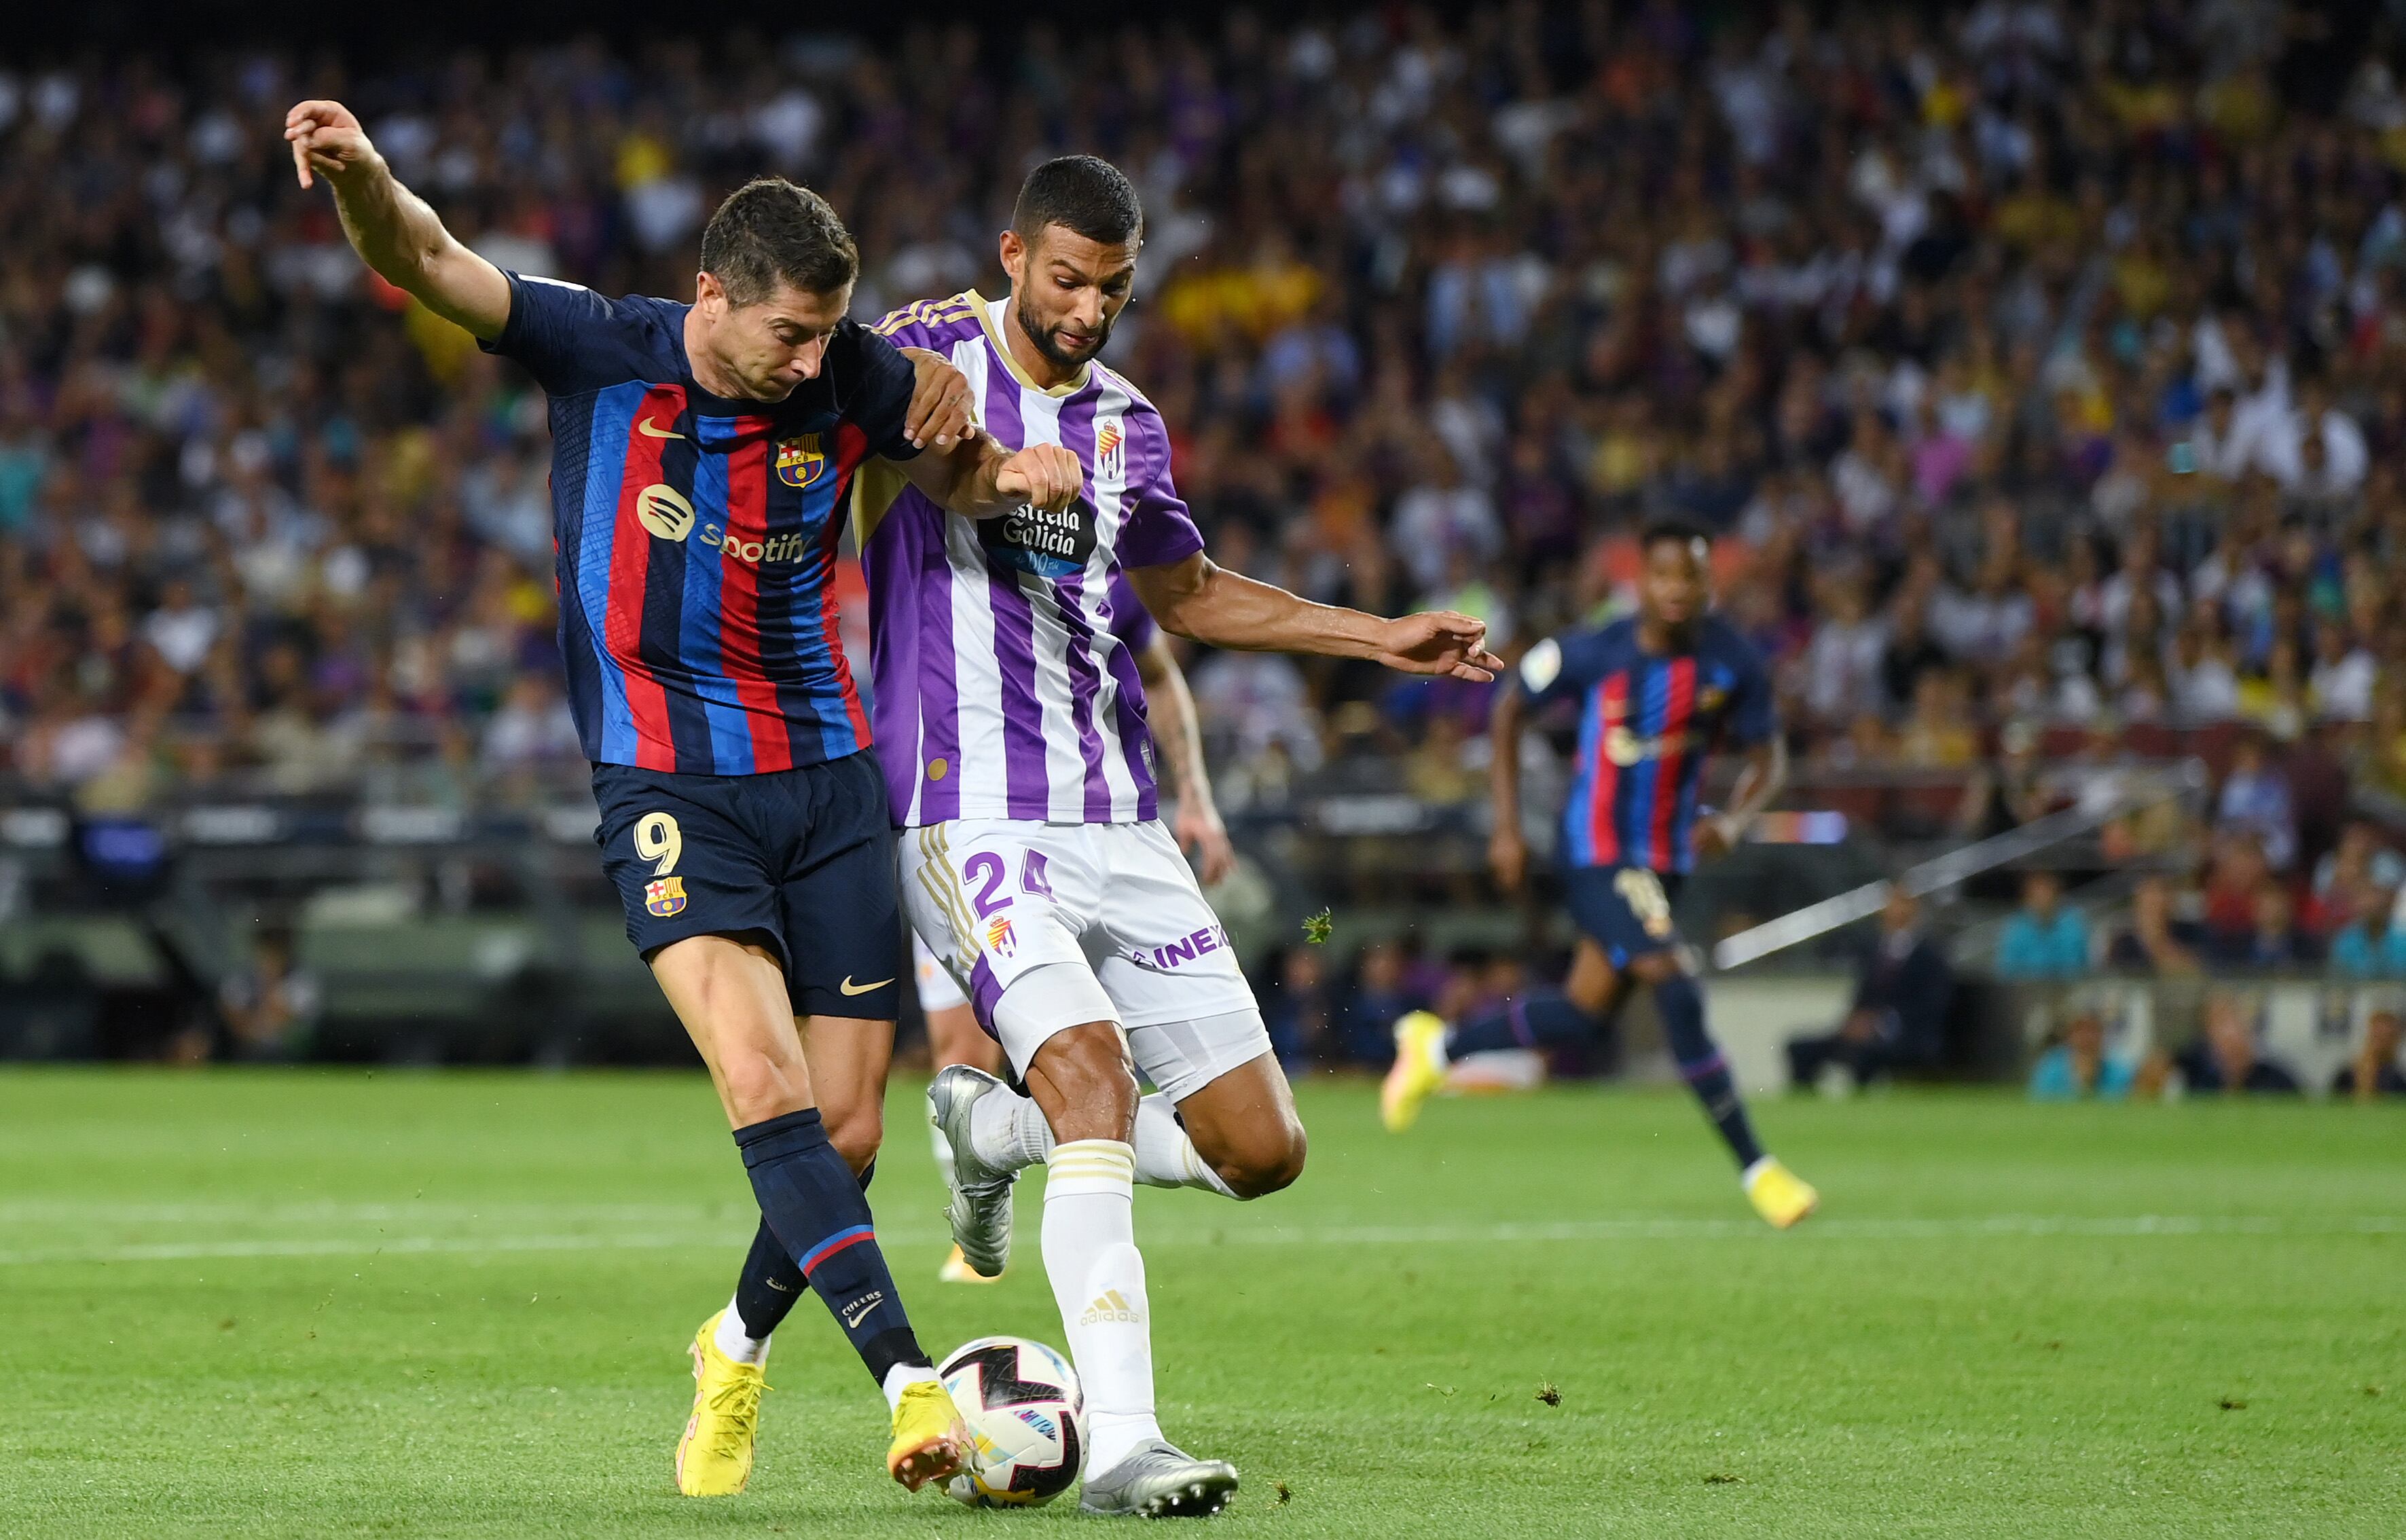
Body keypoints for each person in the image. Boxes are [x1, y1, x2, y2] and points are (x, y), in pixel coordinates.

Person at [284, 100, 1088, 1500]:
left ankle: (731, 1344)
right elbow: (423, 257)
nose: (805, 361)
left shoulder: (853, 377)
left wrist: (1005, 469)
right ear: (710, 295)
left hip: (827, 779)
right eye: (784, 332)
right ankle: (907, 1382)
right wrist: (366, 179)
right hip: (664, 783)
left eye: (825, 335)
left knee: (845, 1135)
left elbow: (953, 471)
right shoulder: (599, 346)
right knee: (761, 1084)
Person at [849, 155, 1496, 1516]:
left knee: (1262, 1152)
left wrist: (1382, 637)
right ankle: (1126, 1440)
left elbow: (1188, 597)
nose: (1087, 310)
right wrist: (979, 460)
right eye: (1067, 279)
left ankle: (993, 1136)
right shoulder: (920, 352)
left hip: (1116, 820)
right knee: (1086, 1073)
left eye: (1113, 288)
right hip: (967, 810)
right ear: (1012, 252)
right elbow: (892, 457)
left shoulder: (1130, 424)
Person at [1382, 519, 1819, 1230]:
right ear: (1640, 582)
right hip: (1597, 851)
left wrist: (1735, 819)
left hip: (1666, 861)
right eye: (1665, 575)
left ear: (1711, 583)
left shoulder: (1731, 660)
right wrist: (1506, 824)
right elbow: (1511, 704)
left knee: (1585, 1012)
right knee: (1672, 979)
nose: (1679, 590)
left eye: (1693, 576)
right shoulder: (1595, 651)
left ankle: (1438, 1046)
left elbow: (1771, 756)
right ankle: (1758, 1169)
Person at [917, 569, 1233, 1286]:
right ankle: (970, 1218)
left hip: (1104, 836)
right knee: (964, 1044)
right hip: (969, 827)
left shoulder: (1102, 570)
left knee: (1112, 1077)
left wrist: (1196, 797)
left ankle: (996, 1136)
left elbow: (1158, 666)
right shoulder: (941, 555)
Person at [1784, 887, 1954, 1092]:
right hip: (1865, 1033)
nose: (1893, 909)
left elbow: (1930, 1005)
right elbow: (1862, 996)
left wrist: (1882, 1022)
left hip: (1906, 1037)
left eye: (1900, 903)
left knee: (1865, 1054)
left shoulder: (1931, 956)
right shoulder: (1873, 950)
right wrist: (1854, 1021)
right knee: (1800, 1049)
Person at [2172, 990, 2301, 1094]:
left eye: (2234, 1020)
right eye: (2218, 1022)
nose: (2228, 1032)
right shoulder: (2196, 1077)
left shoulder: (2276, 1081)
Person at [1994, 870, 2091, 979]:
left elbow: (2078, 966)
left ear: (2056, 893)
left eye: (2046, 890)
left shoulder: (2073, 924)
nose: (2042, 897)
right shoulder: (2016, 927)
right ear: (2028, 896)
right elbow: (2007, 969)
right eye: (2037, 892)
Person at [2332, 1001, 2406, 1099]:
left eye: (2388, 1038)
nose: (2380, 1045)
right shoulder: (2347, 1075)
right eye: (2377, 1037)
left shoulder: (2397, 1077)